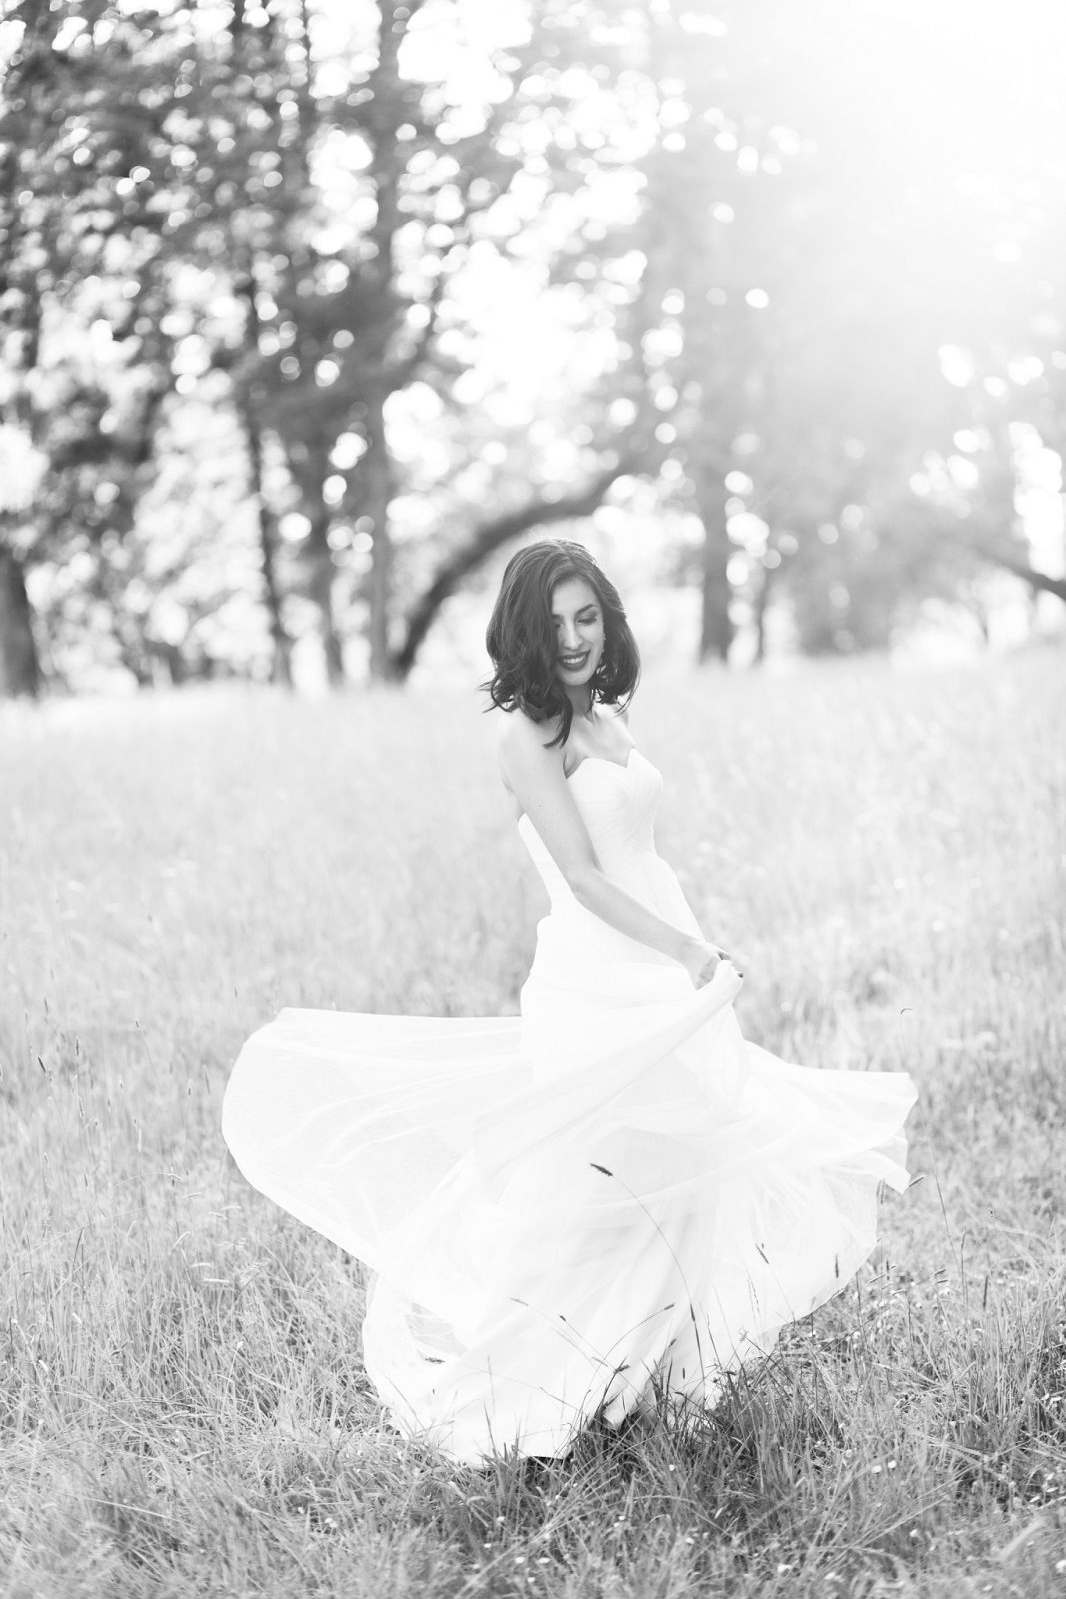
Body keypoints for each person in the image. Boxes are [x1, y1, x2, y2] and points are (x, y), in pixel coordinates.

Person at [222, 539, 917, 1466]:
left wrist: (685, 952)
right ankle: (541, 1379)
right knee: (599, 1185)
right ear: (523, 638)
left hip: (667, 962)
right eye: (554, 626)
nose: (576, 639)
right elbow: (585, 877)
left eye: (588, 617)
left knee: (688, 1156)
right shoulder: (523, 735)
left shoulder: (610, 712)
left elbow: (641, 854)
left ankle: (657, 1375)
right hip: (600, 977)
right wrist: (688, 950)